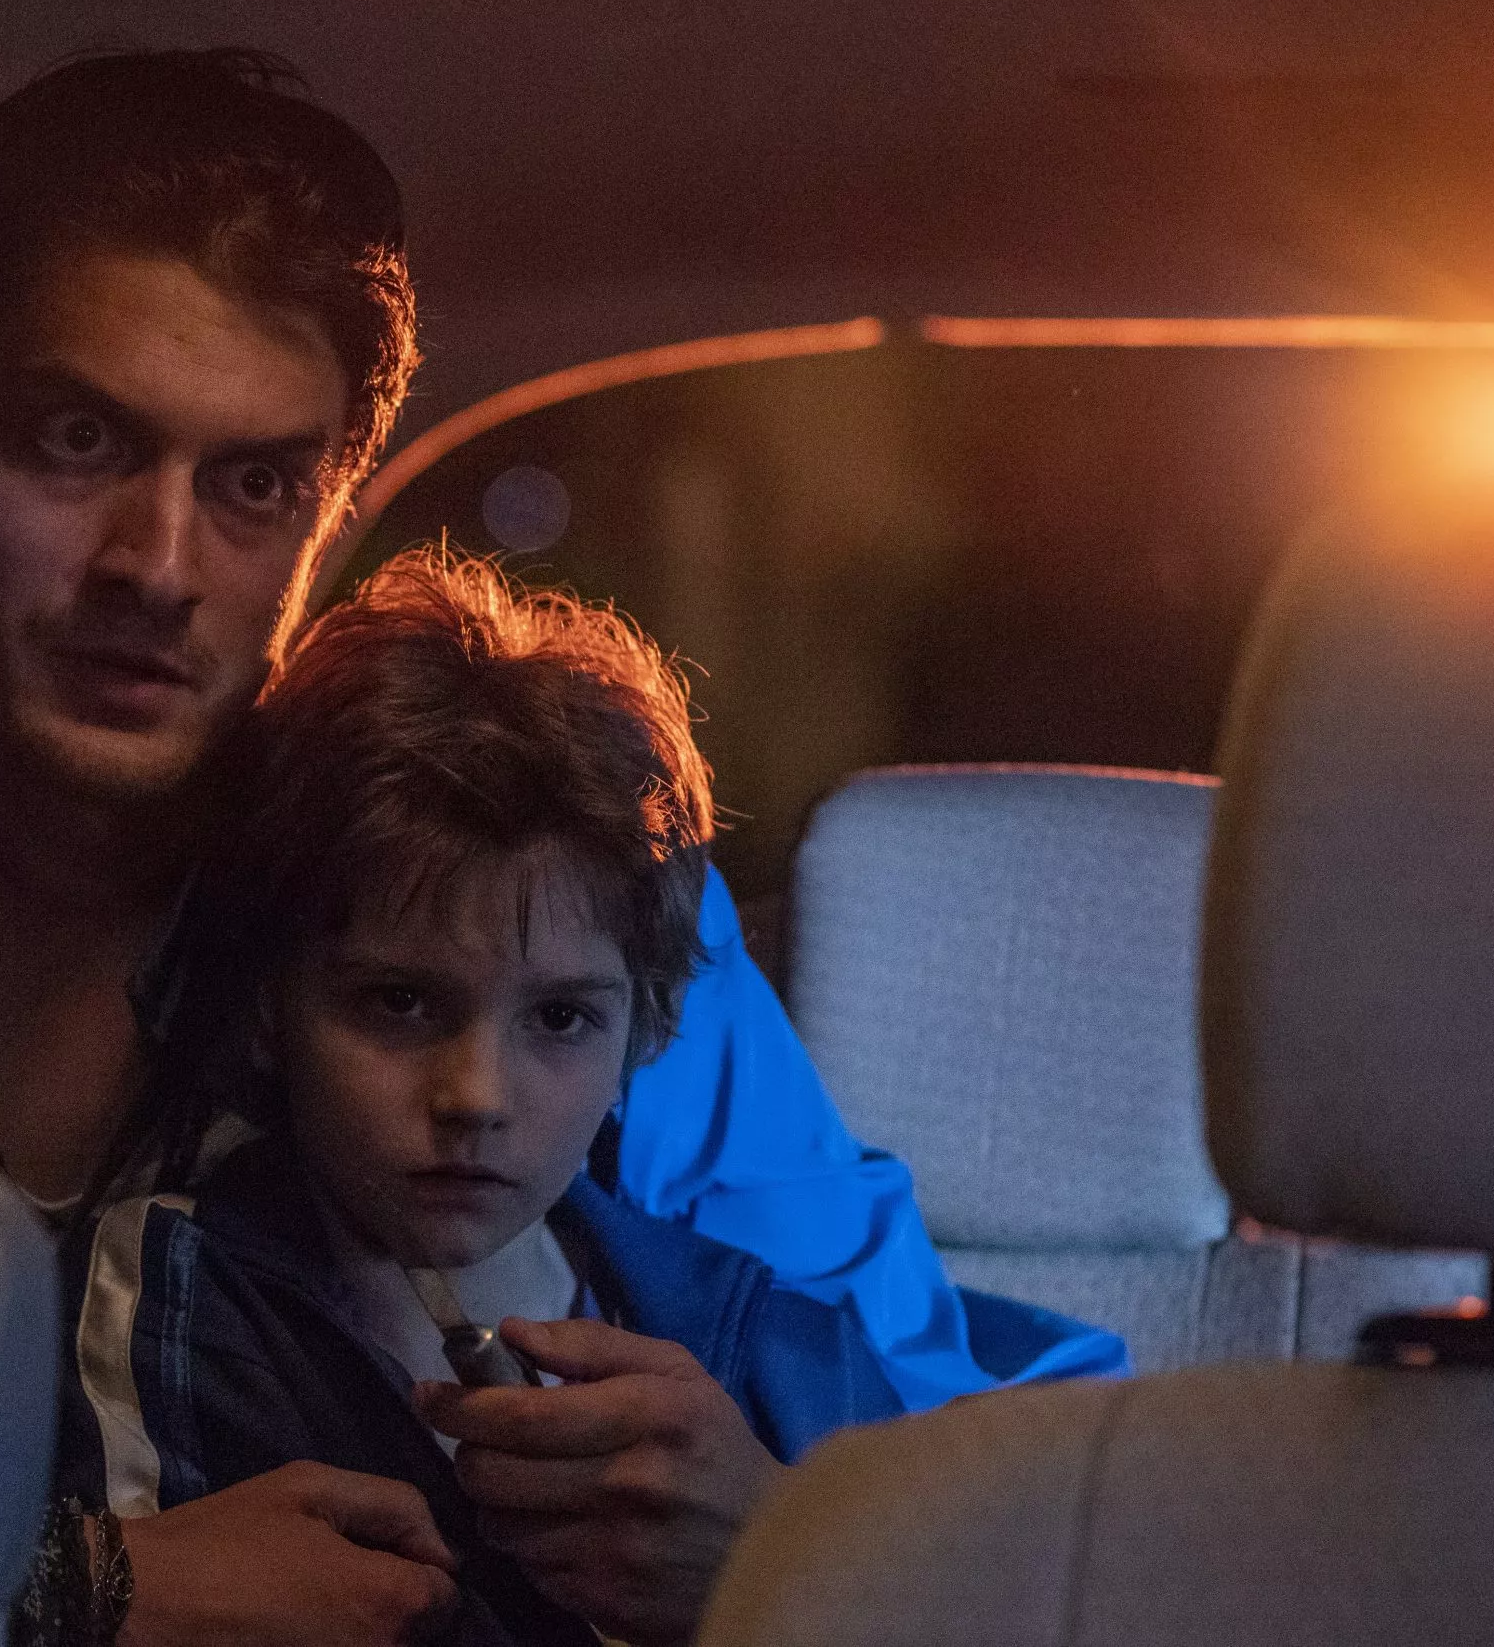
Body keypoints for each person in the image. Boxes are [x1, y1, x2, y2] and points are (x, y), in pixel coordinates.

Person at [0, 48, 1122, 1646]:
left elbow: (960, 1468)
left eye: (255, 482)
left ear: (325, 516)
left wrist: (787, 1540)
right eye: (73, 439)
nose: (157, 566)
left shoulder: (523, 886)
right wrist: (71, 1594)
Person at [50, 546, 907, 1646]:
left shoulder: (774, 1349)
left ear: (644, 1030)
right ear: (268, 1007)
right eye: (400, 1002)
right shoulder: (171, 1303)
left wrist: (788, 1559)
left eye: (560, 1018)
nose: (476, 1096)